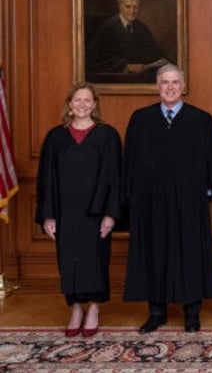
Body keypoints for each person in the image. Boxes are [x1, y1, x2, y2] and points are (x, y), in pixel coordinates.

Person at [122, 64, 212, 333]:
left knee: (189, 253)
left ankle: (192, 313)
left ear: (184, 86)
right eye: (165, 82)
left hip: (189, 203)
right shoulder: (140, 120)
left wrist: (207, 194)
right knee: (154, 254)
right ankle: (157, 312)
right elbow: (129, 163)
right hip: (150, 204)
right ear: (157, 86)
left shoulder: (201, 121)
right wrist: (132, 200)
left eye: (175, 82)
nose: (170, 87)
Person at [35, 82, 121, 338]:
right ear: (69, 104)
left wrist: (110, 214)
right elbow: (46, 179)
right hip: (65, 212)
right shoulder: (55, 137)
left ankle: (94, 307)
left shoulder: (108, 135)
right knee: (68, 260)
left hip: (96, 212)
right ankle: (75, 308)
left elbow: (114, 177)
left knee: (95, 261)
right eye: (77, 100)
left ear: (94, 105)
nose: (82, 104)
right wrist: (49, 214)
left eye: (87, 100)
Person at [86, 0, 169, 80]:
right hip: (115, 78)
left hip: (139, 77)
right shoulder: (108, 27)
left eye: (135, 7)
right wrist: (127, 66)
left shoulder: (141, 27)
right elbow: (97, 57)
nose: (132, 11)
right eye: (128, 7)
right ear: (120, 7)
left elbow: (153, 52)